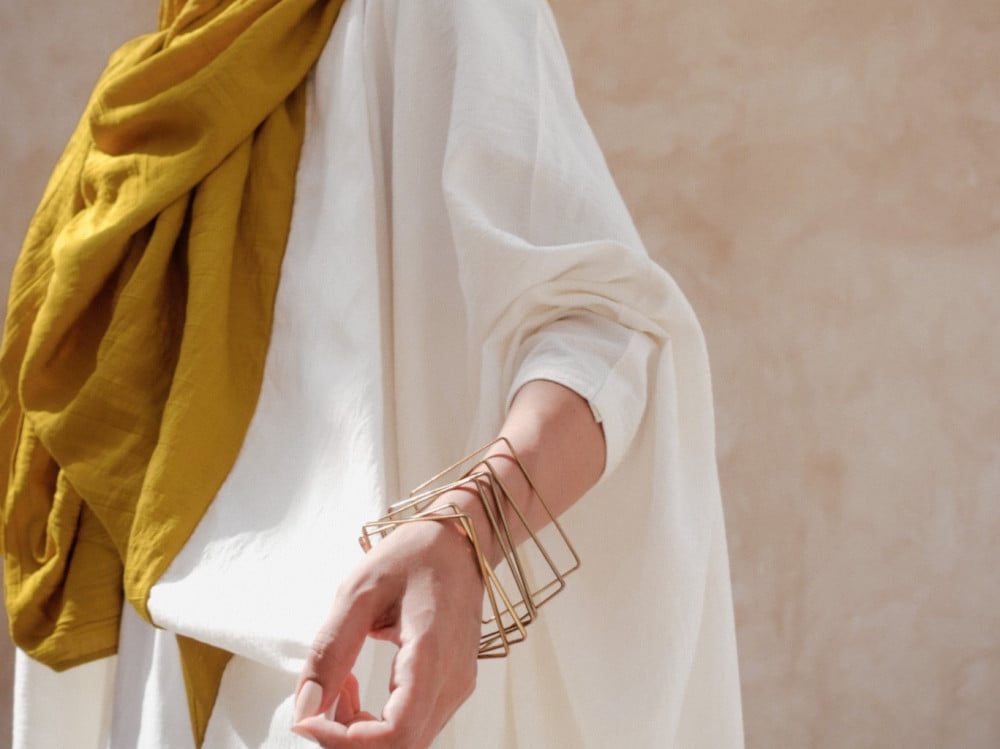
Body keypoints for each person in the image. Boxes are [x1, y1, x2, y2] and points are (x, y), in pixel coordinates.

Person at [1, 0, 744, 747]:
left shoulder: (428, 12)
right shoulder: (156, 78)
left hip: (351, 684)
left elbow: (607, 331)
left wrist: (468, 529)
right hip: (162, 682)